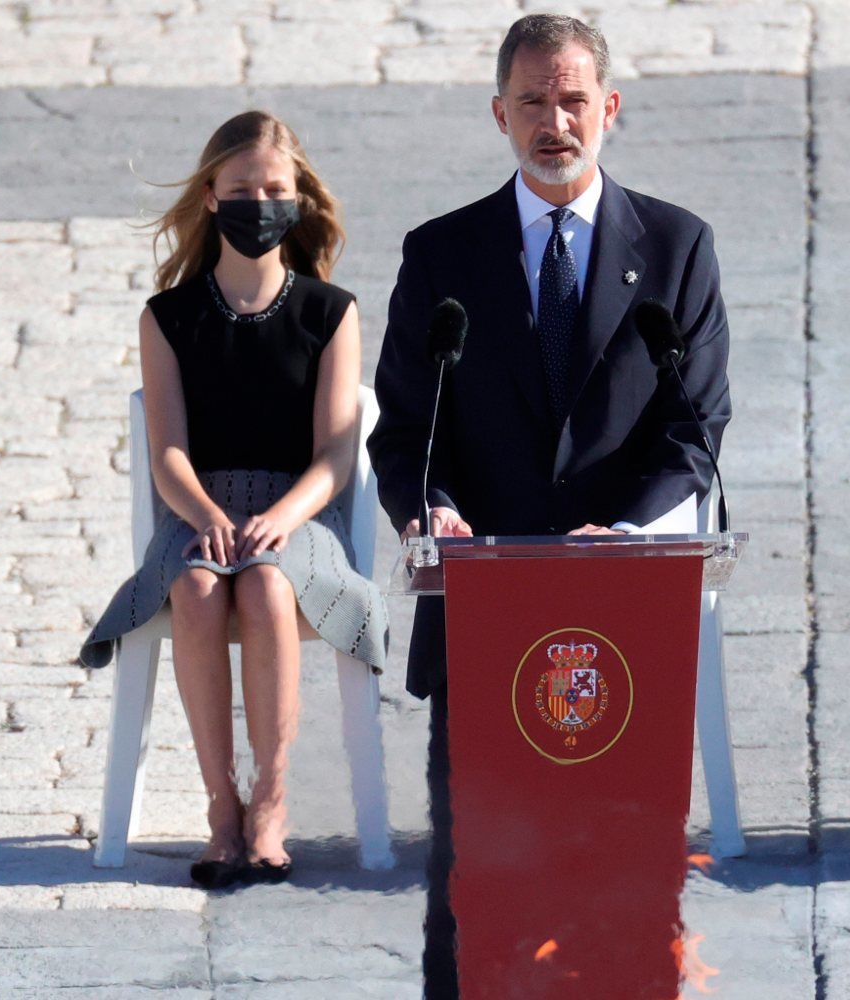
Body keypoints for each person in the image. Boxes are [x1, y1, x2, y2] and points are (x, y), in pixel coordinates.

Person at [367, 14, 729, 996]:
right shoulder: (442, 257)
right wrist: (428, 507)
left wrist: (622, 532)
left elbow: (694, 430)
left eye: (572, 100)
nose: (552, 121)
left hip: (622, 616)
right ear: (499, 113)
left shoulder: (675, 247)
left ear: (608, 108)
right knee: (476, 876)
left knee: (614, 876)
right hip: (483, 615)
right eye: (531, 101)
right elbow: (404, 432)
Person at [78, 112, 388, 890]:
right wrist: (210, 519)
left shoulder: (331, 311)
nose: (260, 202)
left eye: (275, 189)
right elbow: (168, 452)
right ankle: (223, 808)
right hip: (197, 511)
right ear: (211, 195)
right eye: (243, 188)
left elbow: (335, 457)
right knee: (193, 583)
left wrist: (279, 521)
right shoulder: (169, 317)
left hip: (299, 515)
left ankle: (273, 800)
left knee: (266, 582)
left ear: (298, 200)